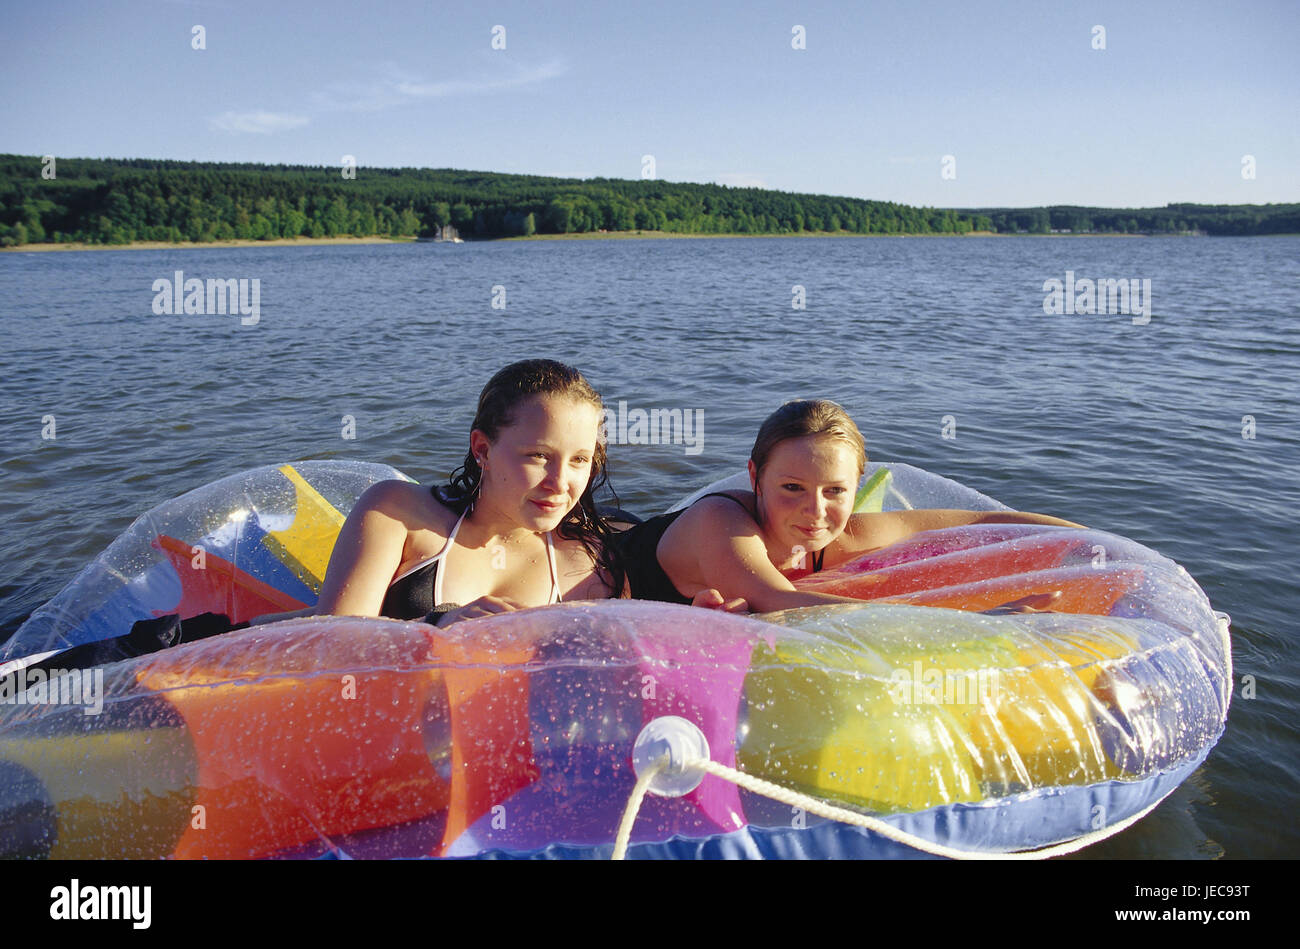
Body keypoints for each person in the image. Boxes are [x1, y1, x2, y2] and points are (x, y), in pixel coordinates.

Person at [614, 399, 1084, 613]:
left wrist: (1084, 539)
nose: (816, 511)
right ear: (755, 476)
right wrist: (974, 622)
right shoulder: (723, 525)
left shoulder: (841, 535)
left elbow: (980, 520)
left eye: (835, 491)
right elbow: (784, 603)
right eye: (793, 488)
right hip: (603, 554)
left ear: (857, 485)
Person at [254, 359, 624, 628]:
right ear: (482, 450)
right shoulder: (399, 514)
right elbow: (336, 645)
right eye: (539, 456)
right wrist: (438, 623)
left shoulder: (595, 556)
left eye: (579, 460)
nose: (560, 483)